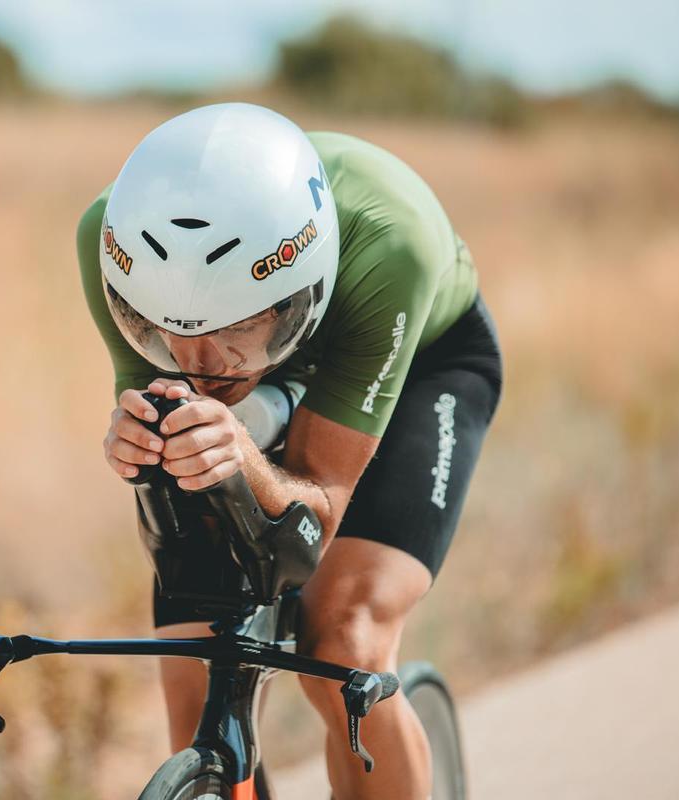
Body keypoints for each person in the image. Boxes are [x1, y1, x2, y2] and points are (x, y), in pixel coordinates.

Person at [77, 102, 502, 800]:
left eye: (237, 327)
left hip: (417, 360)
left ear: (295, 294)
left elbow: (316, 509)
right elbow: (166, 456)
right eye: (156, 330)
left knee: (342, 637)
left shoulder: (394, 243)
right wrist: (139, 442)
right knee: (194, 669)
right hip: (283, 371)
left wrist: (244, 453)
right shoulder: (108, 238)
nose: (198, 363)